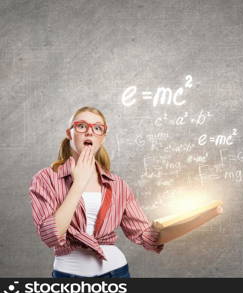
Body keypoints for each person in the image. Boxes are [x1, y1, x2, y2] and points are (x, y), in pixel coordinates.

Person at [28, 106, 223, 278]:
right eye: (81, 126)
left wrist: (204, 216)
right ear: (70, 133)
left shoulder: (118, 185)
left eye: (97, 128)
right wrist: (78, 184)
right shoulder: (45, 179)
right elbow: (51, 235)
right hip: (69, 278)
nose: (89, 132)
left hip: (116, 274)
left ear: (102, 137)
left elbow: (148, 237)